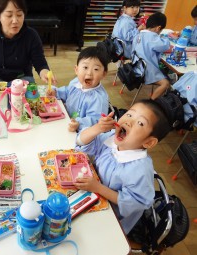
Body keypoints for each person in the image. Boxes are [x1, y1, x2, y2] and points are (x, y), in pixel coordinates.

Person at [74, 99, 172, 234]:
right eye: (130, 114)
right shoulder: (110, 139)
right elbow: (81, 142)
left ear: (149, 142)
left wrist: (98, 187)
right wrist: (97, 128)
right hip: (90, 193)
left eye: (140, 123)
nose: (128, 122)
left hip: (112, 220)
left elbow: (134, 202)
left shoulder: (140, 170)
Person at [0, 0, 56, 86]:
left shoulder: (31, 35)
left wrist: (45, 73)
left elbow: (40, 63)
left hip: (23, 79)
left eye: (19, 15)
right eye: (9, 15)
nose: (15, 21)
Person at [46, 46, 109, 132]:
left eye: (96, 69)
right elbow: (67, 91)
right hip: (65, 120)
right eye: (85, 67)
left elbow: (95, 121)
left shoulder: (99, 99)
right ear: (76, 69)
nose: (89, 73)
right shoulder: (76, 82)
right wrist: (56, 92)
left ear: (104, 74)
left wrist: (79, 123)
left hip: (81, 133)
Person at [132, 12, 170, 100]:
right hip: (146, 72)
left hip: (136, 68)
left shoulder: (138, 35)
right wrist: (165, 38)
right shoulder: (153, 38)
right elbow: (165, 45)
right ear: (158, 28)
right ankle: (150, 101)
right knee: (165, 83)